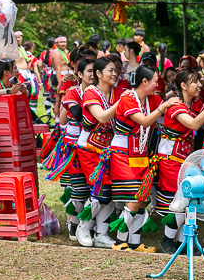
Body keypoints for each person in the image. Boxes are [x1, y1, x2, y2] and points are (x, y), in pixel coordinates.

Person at [108, 65, 177, 253]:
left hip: (140, 154)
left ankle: (134, 242)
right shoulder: (127, 98)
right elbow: (145, 121)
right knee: (135, 197)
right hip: (122, 153)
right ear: (144, 81)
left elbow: (163, 110)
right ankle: (120, 241)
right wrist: (164, 107)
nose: (157, 84)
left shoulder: (152, 99)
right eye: (155, 81)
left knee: (143, 198)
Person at [156, 70, 204, 254]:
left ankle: (182, 242)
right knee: (182, 197)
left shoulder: (193, 104)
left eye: (198, 81)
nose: (199, 85)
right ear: (183, 86)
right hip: (170, 158)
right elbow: (194, 124)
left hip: (184, 157)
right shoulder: (176, 105)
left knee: (188, 196)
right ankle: (167, 239)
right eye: (194, 82)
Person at [74, 57, 123, 249]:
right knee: (98, 189)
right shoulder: (90, 93)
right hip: (90, 147)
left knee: (111, 191)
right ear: (98, 74)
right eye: (110, 70)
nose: (114, 74)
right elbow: (102, 117)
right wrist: (122, 102)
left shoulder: (116, 92)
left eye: (115, 71)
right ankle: (83, 227)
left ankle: (102, 233)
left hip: (109, 149)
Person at [55, 58, 95, 242]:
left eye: (96, 71)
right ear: (79, 74)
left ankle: (87, 225)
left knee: (96, 189)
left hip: (96, 147)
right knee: (77, 188)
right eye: (89, 71)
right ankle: (78, 222)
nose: (93, 75)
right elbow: (72, 117)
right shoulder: (73, 92)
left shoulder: (102, 92)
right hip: (75, 145)